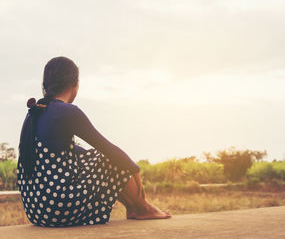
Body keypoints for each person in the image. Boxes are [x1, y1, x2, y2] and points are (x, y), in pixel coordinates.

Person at [17, 56, 171, 227]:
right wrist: (135, 170)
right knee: (110, 159)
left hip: (37, 212)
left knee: (92, 157)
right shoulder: (67, 111)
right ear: (75, 84)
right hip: (59, 209)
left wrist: (91, 157)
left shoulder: (35, 113)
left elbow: (65, 152)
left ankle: (133, 208)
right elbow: (107, 148)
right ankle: (143, 208)